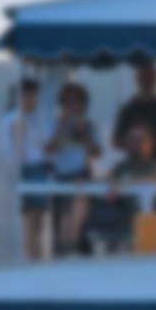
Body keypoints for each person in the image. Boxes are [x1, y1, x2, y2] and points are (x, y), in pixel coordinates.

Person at [42, 81, 104, 252]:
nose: (71, 106)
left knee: (80, 204)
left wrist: (84, 134)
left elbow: (97, 153)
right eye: (66, 102)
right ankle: (66, 248)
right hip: (61, 176)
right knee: (63, 219)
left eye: (75, 101)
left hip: (82, 173)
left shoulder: (91, 126)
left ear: (83, 104)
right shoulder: (54, 125)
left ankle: (76, 242)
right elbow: (48, 150)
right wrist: (62, 128)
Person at [6, 72, 54, 258]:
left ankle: (37, 253)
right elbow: (18, 150)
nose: (35, 100)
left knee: (40, 220)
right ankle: (33, 256)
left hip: (41, 168)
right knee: (31, 219)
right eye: (32, 95)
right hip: (30, 169)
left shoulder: (34, 118)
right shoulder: (16, 119)